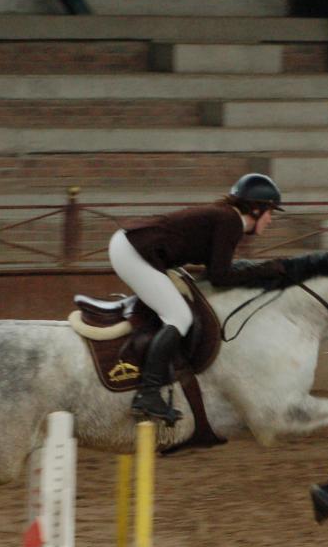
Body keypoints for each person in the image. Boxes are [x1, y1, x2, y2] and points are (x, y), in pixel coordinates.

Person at [109, 173, 285, 423]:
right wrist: (267, 270)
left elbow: (215, 271)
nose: (271, 220)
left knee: (178, 310)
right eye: (271, 212)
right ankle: (147, 393)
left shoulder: (225, 218)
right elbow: (219, 276)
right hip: (134, 253)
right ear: (256, 210)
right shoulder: (230, 221)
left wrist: (262, 270)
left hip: (133, 248)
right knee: (179, 317)